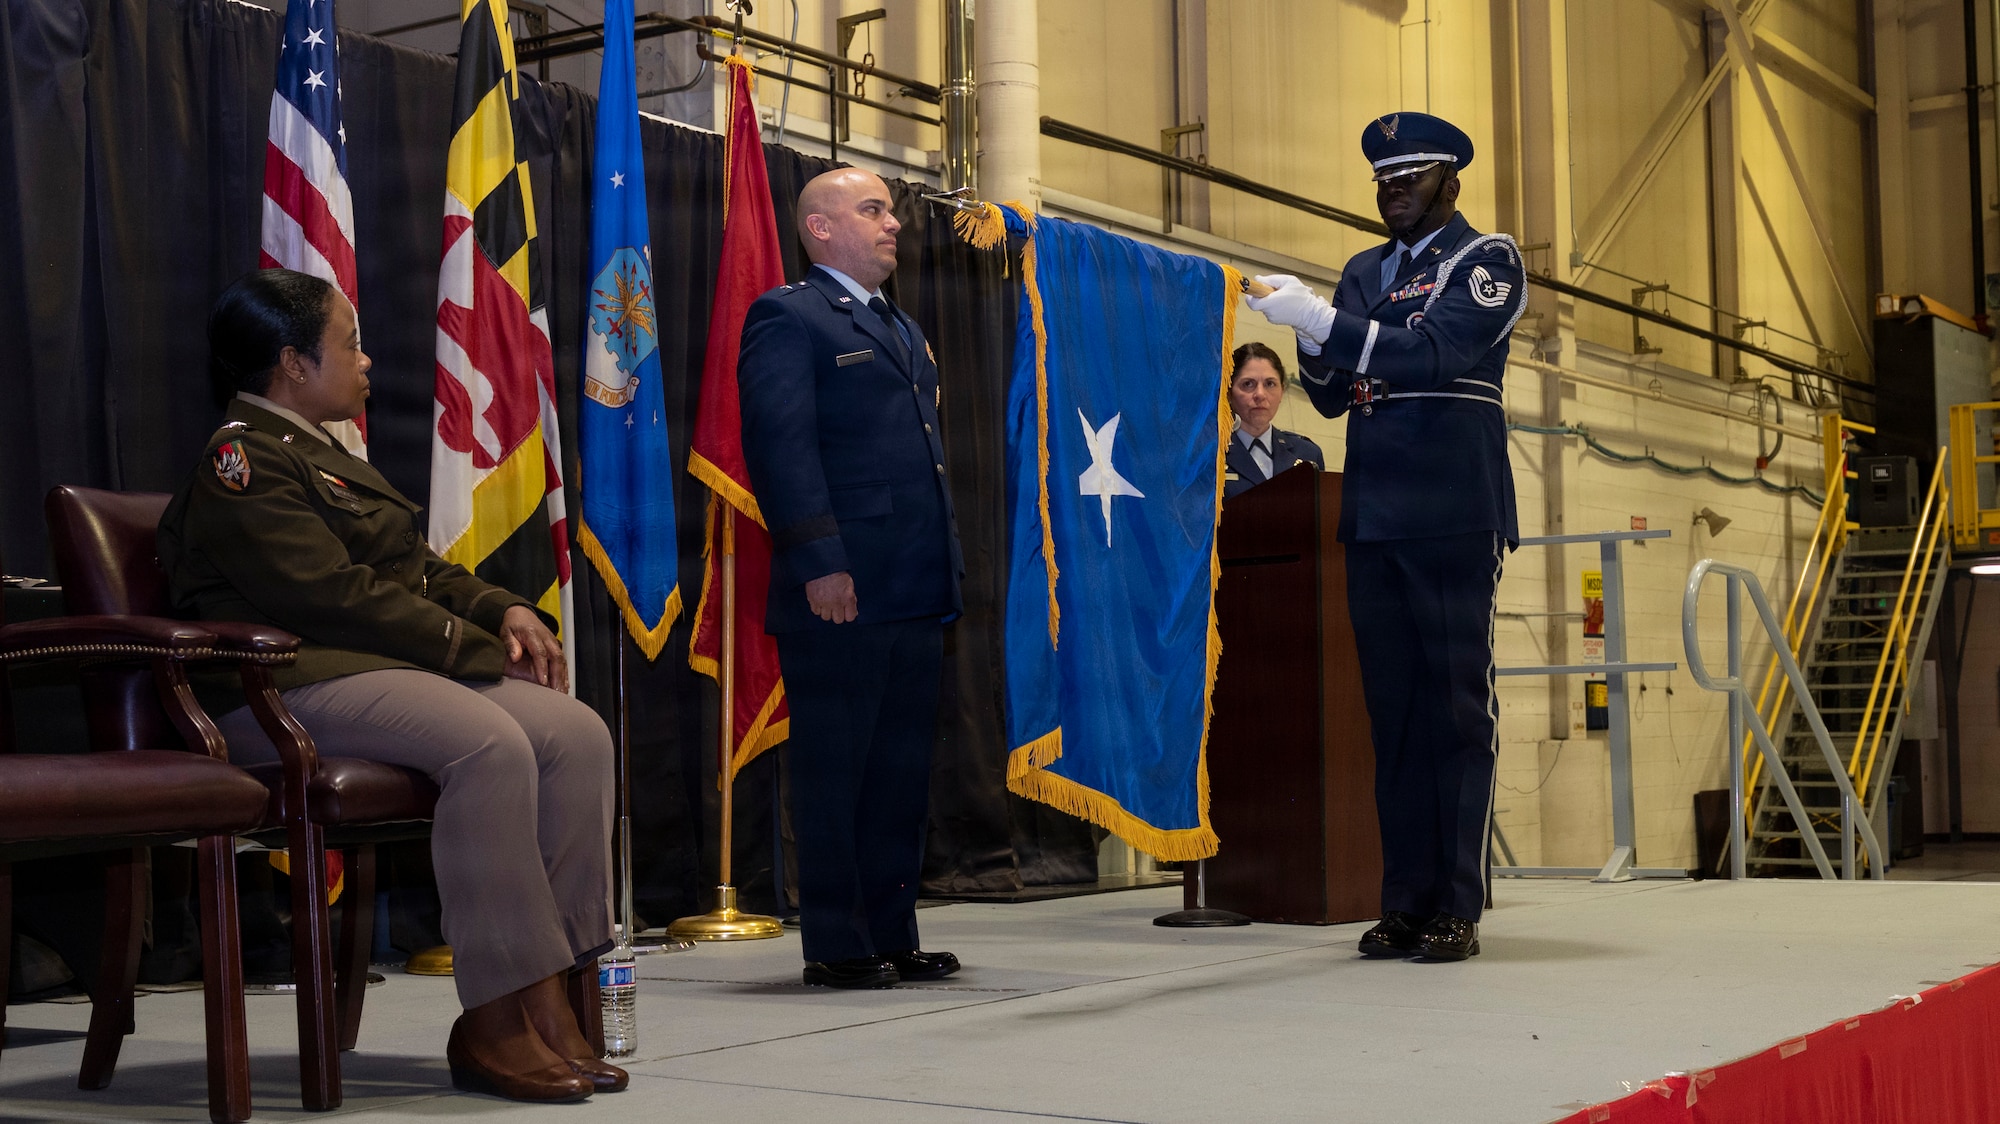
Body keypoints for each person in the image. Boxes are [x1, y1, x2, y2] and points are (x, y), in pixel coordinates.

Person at [157, 269, 624, 1101]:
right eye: (350, 344)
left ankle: (549, 990)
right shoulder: (241, 458)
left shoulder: (319, 453)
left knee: (575, 734)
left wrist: (503, 607)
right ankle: (494, 1013)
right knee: (489, 741)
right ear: (293, 363)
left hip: (364, 677)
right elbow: (325, 596)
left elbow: (414, 570)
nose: (368, 361)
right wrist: (472, 648)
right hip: (276, 690)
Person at [1246, 112, 1524, 962]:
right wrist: (1306, 329)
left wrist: (1330, 329)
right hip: (1373, 511)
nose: (1394, 188)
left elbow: (1434, 355)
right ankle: (1403, 899)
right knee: (1393, 717)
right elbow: (1332, 395)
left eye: (1412, 174)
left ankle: (1458, 905)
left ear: (1451, 181)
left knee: (1453, 712)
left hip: (1450, 507)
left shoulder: (1487, 259)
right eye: (1384, 178)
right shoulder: (1364, 270)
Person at [737, 167, 965, 990]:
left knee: (900, 772)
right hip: (842, 588)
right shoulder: (788, 316)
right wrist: (819, 563)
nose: (893, 223)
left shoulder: (898, 326)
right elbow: (780, 448)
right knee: (837, 770)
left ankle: (892, 933)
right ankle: (836, 941)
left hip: (910, 582)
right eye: (873, 210)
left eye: (892, 211)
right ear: (821, 228)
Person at [1224, 340, 1324, 499]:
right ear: (1229, 393)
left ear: (1282, 390)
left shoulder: (1307, 454)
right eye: (1248, 384)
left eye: (1270, 384)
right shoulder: (1210, 454)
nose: (1260, 394)